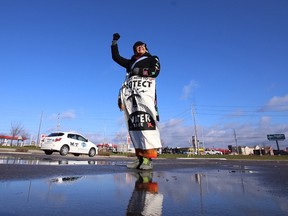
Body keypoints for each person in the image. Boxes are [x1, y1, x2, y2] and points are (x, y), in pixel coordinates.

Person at [111, 33, 162, 170]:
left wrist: (138, 71)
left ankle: (148, 159)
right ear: (134, 50)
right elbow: (116, 58)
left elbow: (155, 72)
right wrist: (114, 43)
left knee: (147, 125)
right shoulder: (130, 62)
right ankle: (139, 158)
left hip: (145, 96)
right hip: (132, 97)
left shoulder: (152, 58)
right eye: (137, 47)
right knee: (135, 127)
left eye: (142, 46)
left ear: (145, 48)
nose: (140, 48)